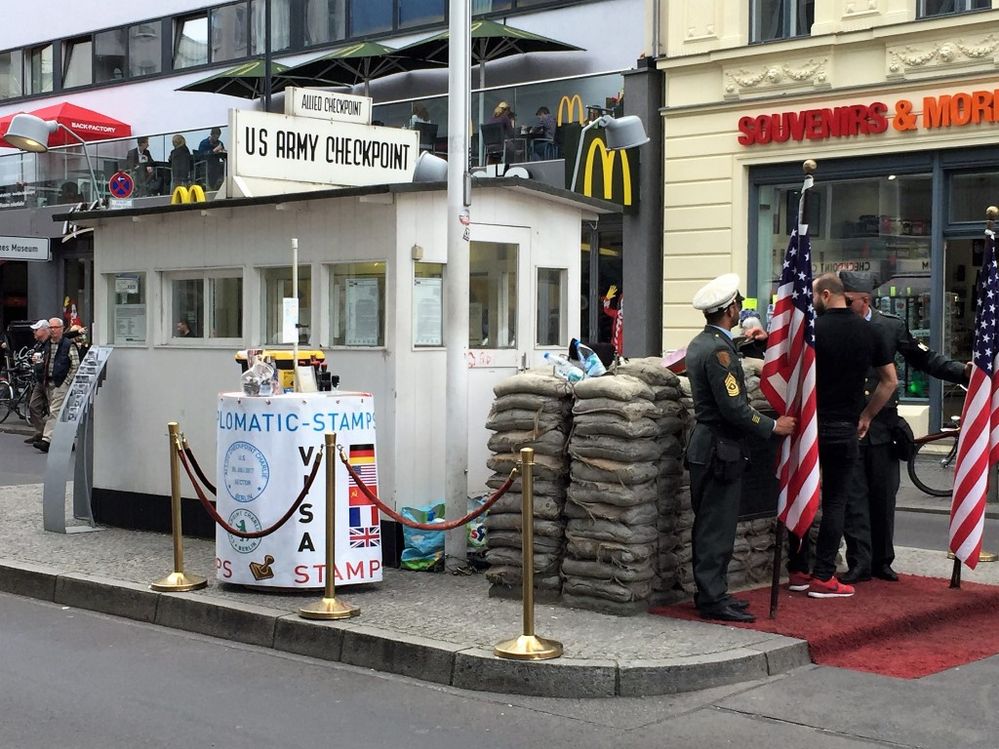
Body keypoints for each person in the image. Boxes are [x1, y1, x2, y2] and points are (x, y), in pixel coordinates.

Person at [839, 270, 971, 583]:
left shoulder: (890, 325)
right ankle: (859, 562)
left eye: (849, 301)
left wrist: (964, 373)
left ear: (865, 300)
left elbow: (925, 359)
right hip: (849, 422)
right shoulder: (835, 325)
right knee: (854, 498)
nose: (843, 306)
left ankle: (883, 561)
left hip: (883, 424)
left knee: (884, 496)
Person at [686, 273, 796, 622]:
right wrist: (772, 426)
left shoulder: (704, 342)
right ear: (731, 308)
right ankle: (712, 598)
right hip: (720, 447)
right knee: (715, 528)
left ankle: (713, 591)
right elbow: (734, 407)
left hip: (710, 445)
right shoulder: (718, 351)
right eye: (738, 305)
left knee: (711, 523)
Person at [786, 273, 896, 598]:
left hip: (809, 427)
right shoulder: (869, 330)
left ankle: (799, 569)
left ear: (824, 294)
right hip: (844, 427)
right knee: (836, 501)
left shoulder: (812, 331)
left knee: (801, 494)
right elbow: (889, 381)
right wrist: (866, 415)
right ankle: (824, 576)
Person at [36, 317, 81, 453]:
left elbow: (75, 365)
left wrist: (66, 382)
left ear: (62, 329)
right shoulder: (47, 344)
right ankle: (67, 441)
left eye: (55, 328)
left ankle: (46, 440)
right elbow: (44, 361)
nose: (53, 330)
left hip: (61, 382)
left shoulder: (68, 344)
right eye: (51, 327)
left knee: (55, 411)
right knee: (58, 412)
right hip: (48, 381)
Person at [24, 319, 50, 446]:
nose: (34, 332)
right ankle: (41, 432)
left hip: (50, 380)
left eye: (36, 329)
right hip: (40, 380)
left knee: (53, 410)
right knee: (33, 406)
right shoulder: (39, 344)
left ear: (45, 330)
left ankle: (50, 437)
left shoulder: (51, 343)